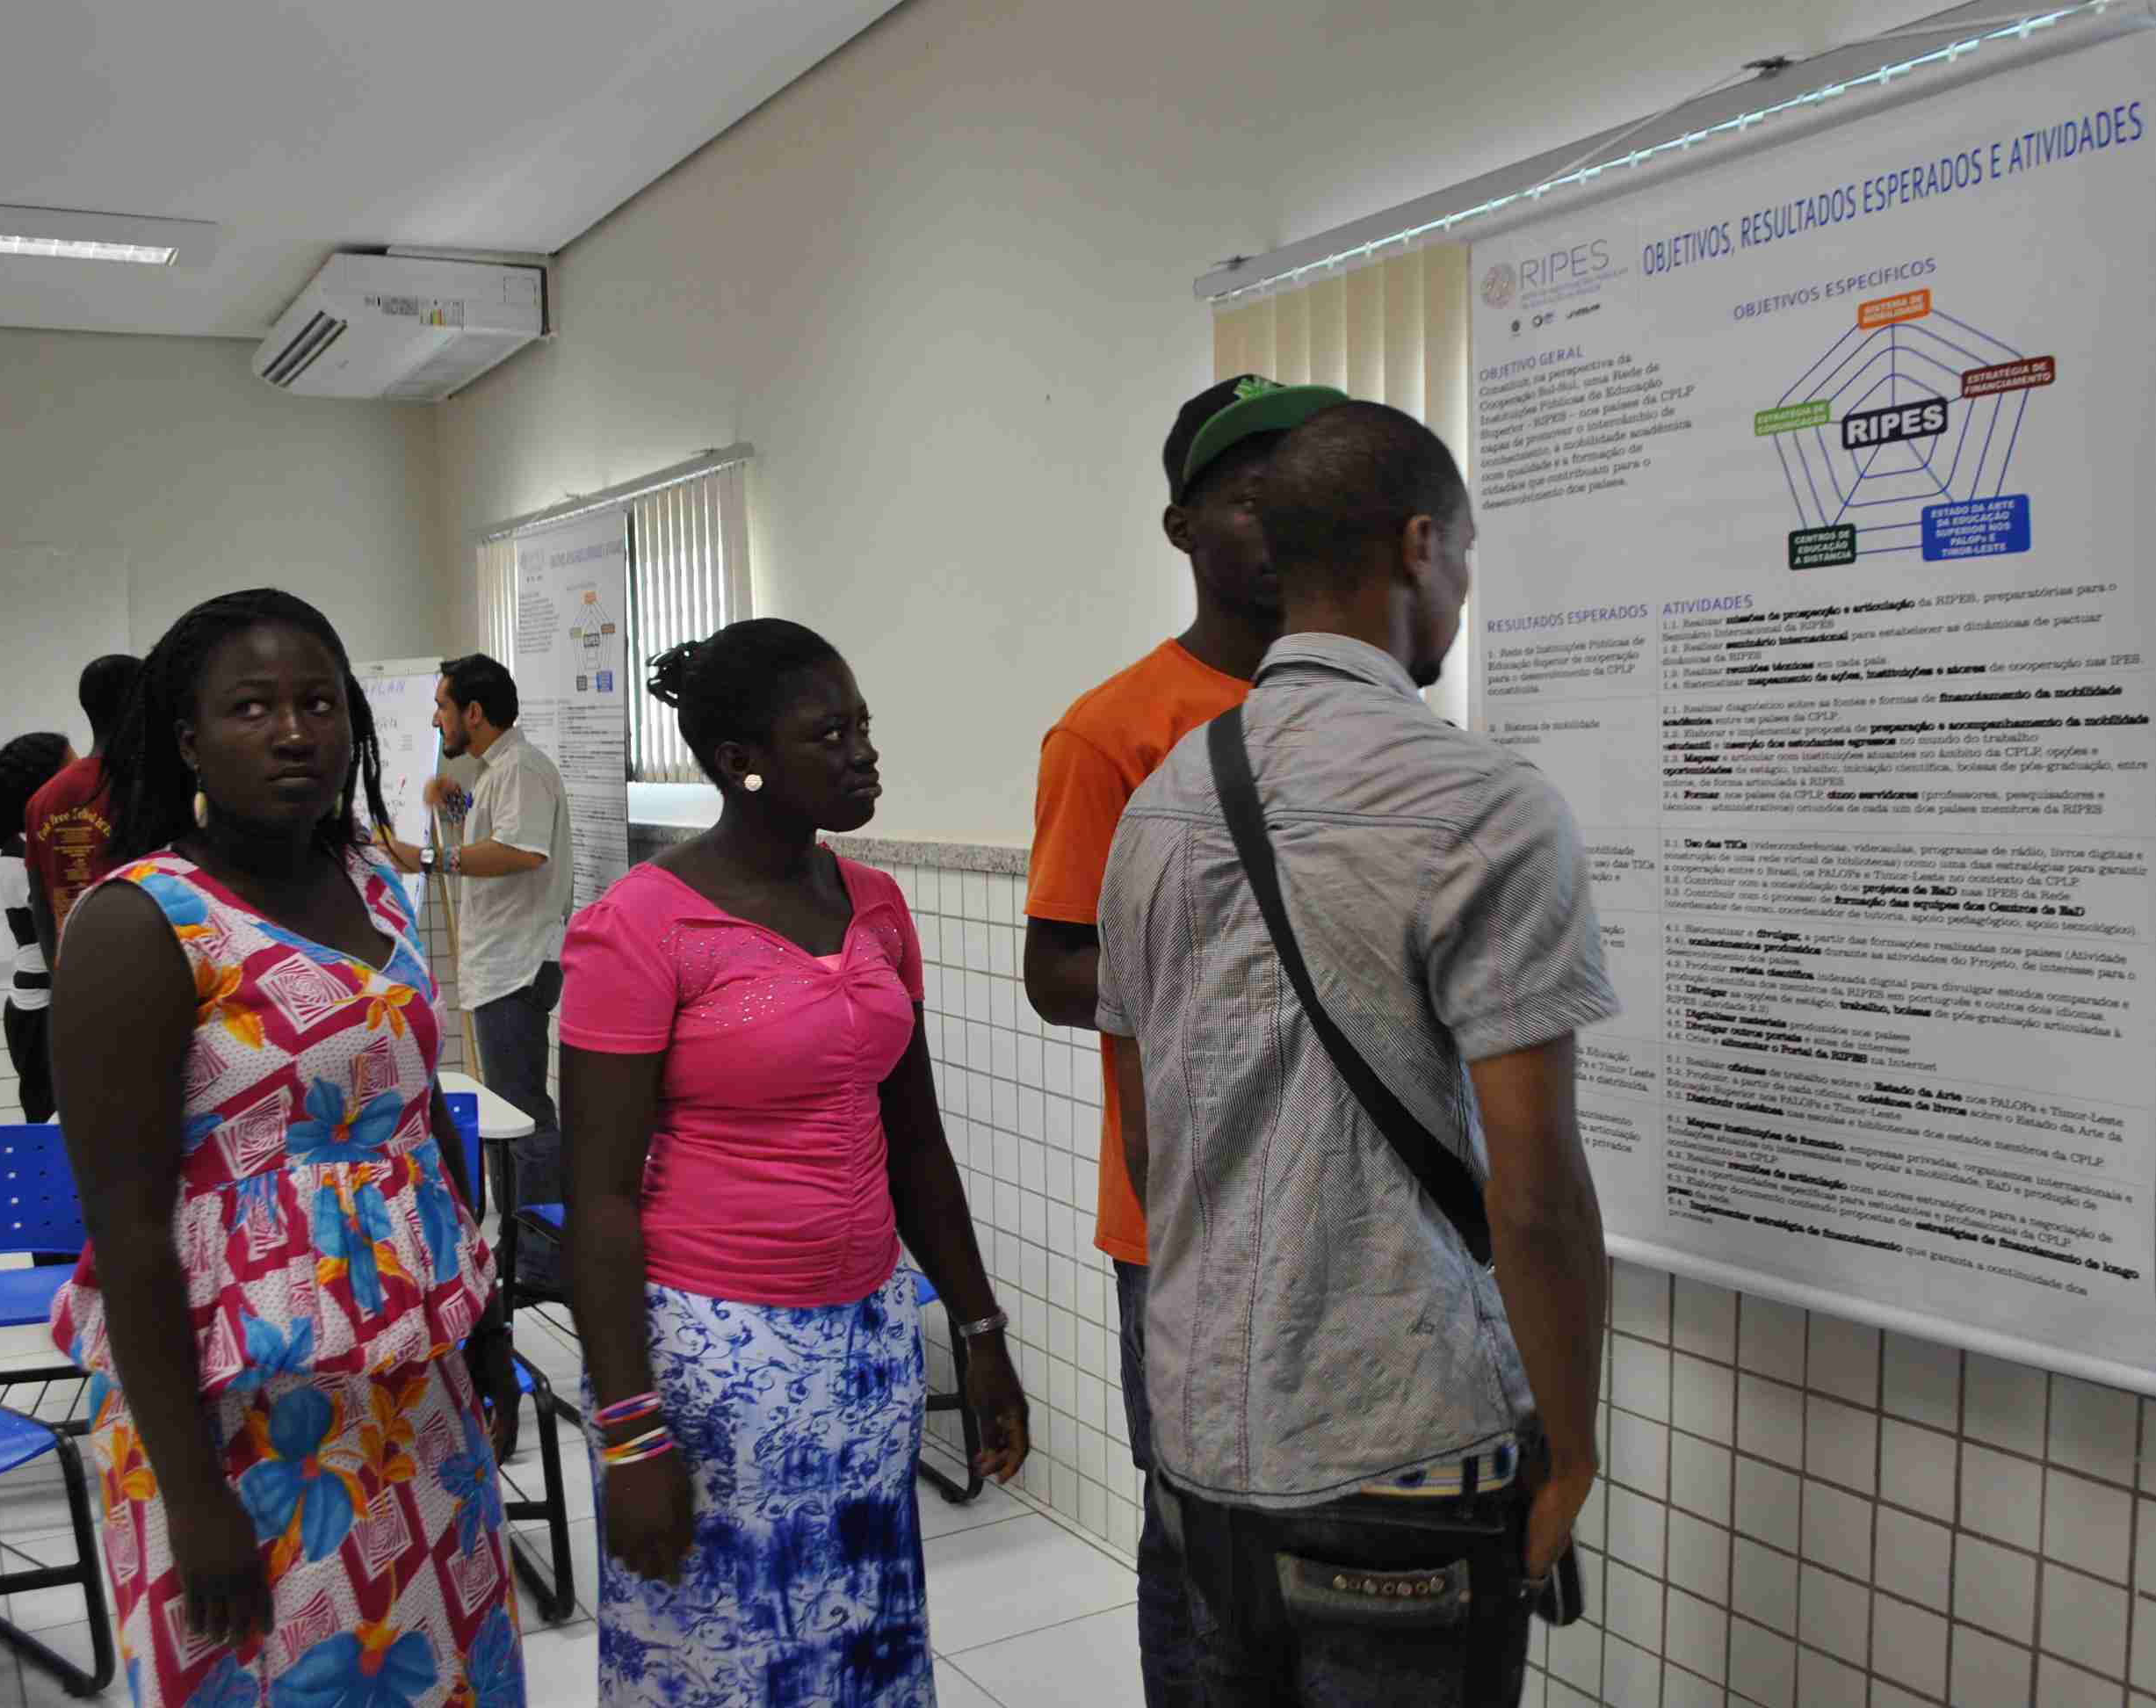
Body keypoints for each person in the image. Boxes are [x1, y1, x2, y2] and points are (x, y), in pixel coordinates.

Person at [1095, 402, 1617, 1704]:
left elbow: (1150, 1135)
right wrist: (1572, 1454)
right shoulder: (1484, 805)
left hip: (1202, 1441)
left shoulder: (1156, 807)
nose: (1463, 592)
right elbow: (1537, 1195)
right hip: (1408, 1454)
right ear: (1420, 546)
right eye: (1465, 557)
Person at [47, 589, 525, 1708]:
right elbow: (127, 1232)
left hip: (413, 1384)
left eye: (319, 703)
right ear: (189, 739)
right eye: (252, 707)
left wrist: (484, 1326)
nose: (295, 731)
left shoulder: (372, 881)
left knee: (446, 1669)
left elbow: (420, 1120)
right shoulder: (140, 921)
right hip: (241, 1426)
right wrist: (192, 1498)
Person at [559, 619, 1029, 1706]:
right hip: (710, 1357)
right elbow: (597, 1195)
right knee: (728, 1652)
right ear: (741, 761)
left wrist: (979, 1333)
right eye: (830, 735)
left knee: (856, 1635)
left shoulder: (875, 906)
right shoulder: (641, 926)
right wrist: (629, 1430)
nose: (864, 754)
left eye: (863, 727)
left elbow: (915, 1140)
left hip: (866, 1340)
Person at [1021, 371, 1343, 1703]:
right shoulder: (1115, 730)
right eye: (1252, 497)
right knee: (1200, 1535)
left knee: (1336, 1528)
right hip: (1186, 1217)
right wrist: (1263, 972)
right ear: (1182, 526)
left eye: (1309, 497)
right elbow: (1055, 972)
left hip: (1353, 1205)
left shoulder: (1373, 715)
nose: (1284, 524)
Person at [382, 653, 573, 1294]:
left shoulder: (522, 768)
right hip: (500, 959)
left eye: (442, 706)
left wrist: (425, 858)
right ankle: (520, 1247)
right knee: (511, 1109)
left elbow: (523, 851)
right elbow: (498, 836)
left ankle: (543, 1262)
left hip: (519, 962)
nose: (436, 720)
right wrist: (456, 803)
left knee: (524, 1113)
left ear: (474, 711)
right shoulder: (500, 770)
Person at [0, 731, 74, 1122]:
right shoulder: (22, 853)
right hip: (42, 1011)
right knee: (51, 1128)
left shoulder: (44, 842)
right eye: (71, 770)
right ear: (44, 785)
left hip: (51, 1004)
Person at [24, 652, 142, 963]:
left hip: (76, 971)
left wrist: (59, 979)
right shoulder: (146, 790)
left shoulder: (42, 800)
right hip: (139, 967)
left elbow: (41, 902)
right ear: (138, 705)